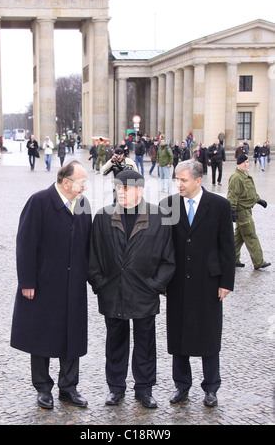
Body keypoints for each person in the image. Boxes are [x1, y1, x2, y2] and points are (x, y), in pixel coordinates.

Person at [88, 170, 175, 409]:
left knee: (145, 343)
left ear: (140, 190)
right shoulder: (103, 216)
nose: (121, 193)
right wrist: (100, 284)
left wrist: (155, 286)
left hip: (144, 293)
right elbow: (93, 256)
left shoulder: (159, 217)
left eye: (125, 189)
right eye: (118, 189)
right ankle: (116, 388)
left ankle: (144, 389)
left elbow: (169, 259)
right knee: (115, 342)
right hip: (112, 292)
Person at [10, 160, 92, 409]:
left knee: (72, 335)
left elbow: (87, 244)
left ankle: (69, 387)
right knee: (42, 336)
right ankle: (43, 388)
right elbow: (25, 244)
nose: (84, 188)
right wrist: (27, 281)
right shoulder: (39, 202)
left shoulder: (83, 205)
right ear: (66, 183)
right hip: (44, 284)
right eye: (81, 182)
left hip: (73, 283)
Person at [160, 159, 235, 407]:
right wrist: (163, 282)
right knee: (178, 335)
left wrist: (226, 282)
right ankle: (181, 386)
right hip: (177, 282)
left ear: (198, 180)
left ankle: (211, 387)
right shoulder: (168, 205)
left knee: (209, 336)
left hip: (209, 282)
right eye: (177, 180)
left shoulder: (220, 206)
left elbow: (227, 247)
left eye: (183, 180)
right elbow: (163, 247)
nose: (178, 184)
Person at [227, 154, 271, 270]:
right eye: (244, 162)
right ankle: (258, 261)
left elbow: (249, 192)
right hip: (242, 212)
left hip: (247, 210)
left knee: (239, 237)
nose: (246, 164)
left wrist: (258, 200)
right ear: (239, 163)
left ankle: (233, 258)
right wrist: (232, 210)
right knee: (251, 235)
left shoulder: (245, 175)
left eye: (247, 162)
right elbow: (233, 195)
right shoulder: (236, 177)